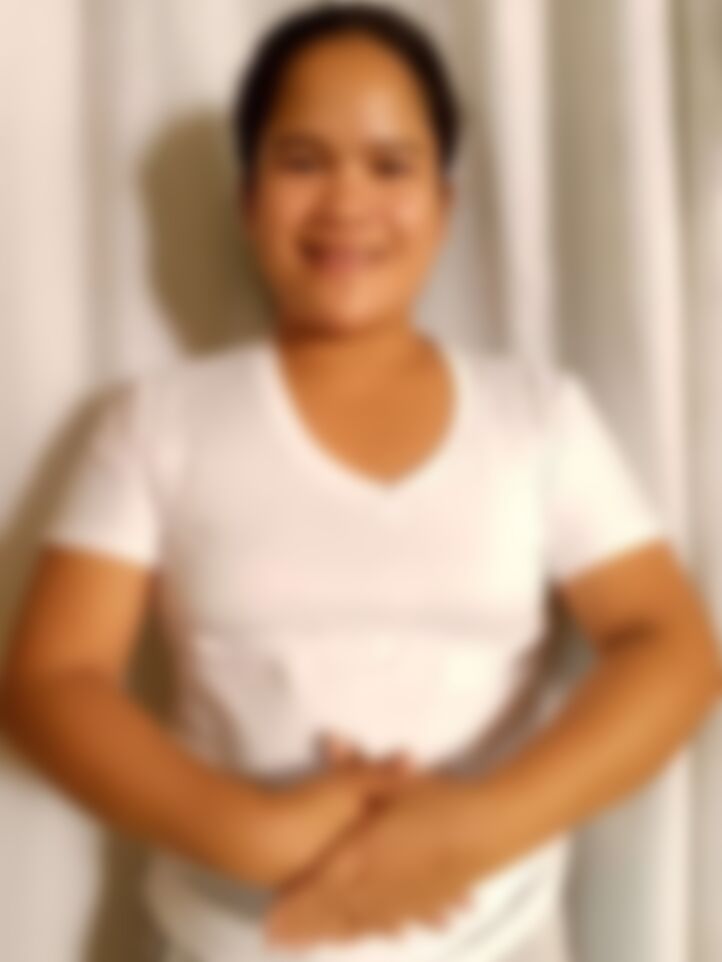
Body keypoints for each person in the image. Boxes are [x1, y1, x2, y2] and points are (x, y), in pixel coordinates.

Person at [2, 4, 720, 962]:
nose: (347, 200)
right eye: (304, 161)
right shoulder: (156, 421)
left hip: (498, 937)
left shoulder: (539, 417)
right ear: (248, 198)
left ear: (444, 204)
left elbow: (672, 648)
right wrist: (254, 834)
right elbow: (51, 682)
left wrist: (470, 831)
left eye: (390, 165)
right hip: (231, 937)